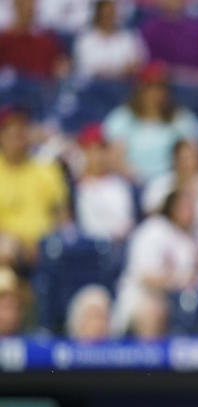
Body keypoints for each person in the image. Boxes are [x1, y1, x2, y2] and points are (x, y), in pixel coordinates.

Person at [112, 189, 198, 335]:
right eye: (184, 207)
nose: (189, 212)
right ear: (171, 207)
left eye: (191, 207)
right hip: (140, 297)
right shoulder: (153, 230)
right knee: (153, 310)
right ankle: (148, 357)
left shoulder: (189, 239)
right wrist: (179, 280)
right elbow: (146, 277)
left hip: (176, 300)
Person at [103, 62, 198, 182]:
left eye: (160, 88)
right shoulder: (122, 118)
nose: (155, 93)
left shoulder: (181, 119)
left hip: (172, 181)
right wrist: (139, 179)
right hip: (132, 182)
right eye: (149, 87)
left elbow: (192, 154)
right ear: (139, 90)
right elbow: (115, 159)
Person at [0, 106, 69, 267]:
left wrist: (47, 243)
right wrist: (20, 243)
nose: (20, 136)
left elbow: (62, 216)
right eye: (13, 131)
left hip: (44, 248)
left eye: (23, 130)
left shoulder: (46, 169)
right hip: (8, 248)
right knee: (5, 248)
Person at [74, 123, 135, 242]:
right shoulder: (74, 186)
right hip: (85, 248)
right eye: (89, 150)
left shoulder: (120, 185)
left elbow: (124, 225)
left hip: (114, 246)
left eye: (100, 150)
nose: (96, 156)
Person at [73, 0, 145, 79]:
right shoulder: (85, 39)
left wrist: (115, 71)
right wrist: (117, 70)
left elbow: (137, 62)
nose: (107, 17)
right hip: (94, 84)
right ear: (97, 15)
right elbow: (85, 68)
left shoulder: (127, 37)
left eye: (111, 13)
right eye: (104, 14)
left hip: (123, 82)